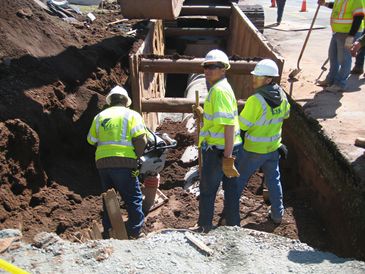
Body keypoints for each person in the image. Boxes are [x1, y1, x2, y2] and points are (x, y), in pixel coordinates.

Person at [192, 49, 243, 232]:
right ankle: (233, 227)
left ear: (224, 69)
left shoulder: (219, 91)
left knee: (207, 191)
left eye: (213, 66)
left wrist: (227, 156)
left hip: (220, 151)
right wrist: (204, 115)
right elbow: (219, 121)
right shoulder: (222, 87)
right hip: (228, 147)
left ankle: (204, 226)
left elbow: (228, 125)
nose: (208, 70)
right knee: (231, 191)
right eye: (206, 66)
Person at [87, 85, 147, 239]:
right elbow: (141, 139)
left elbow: (91, 140)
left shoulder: (99, 117)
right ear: (126, 101)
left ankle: (109, 231)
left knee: (109, 198)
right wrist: (136, 156)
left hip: (102, 163)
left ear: (110, 101)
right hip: (125, 162)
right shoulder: (132, 115)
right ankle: (135, 231)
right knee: (133, 197)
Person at [237, 59, 290, 224]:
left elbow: (242, 125)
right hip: (273, 148)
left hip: (253, 150)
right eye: (254, 76)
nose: (254, 80)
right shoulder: (281, 95)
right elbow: (286, 115)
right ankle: (277, 215)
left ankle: (230, 212)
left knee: (238, 179)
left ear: (268, 79)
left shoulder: (256, 100)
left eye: (258, 77)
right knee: (274, 181)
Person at [316, 0, 365, 92]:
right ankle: (330, 80)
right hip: (337, 32)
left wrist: (351, 36)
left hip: (348, 33)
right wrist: (325, 3)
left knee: (344, 59)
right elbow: (336, 6)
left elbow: (359, 17)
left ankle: (340, 84)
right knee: (333, 56)